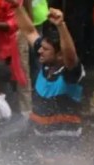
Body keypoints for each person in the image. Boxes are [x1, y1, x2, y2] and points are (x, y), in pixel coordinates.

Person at [15, 6, 84, 141]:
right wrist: (15, 6)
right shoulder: (46, 64)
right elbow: (29, 31)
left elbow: (70, 56)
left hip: (63, 144)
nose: (40, 51)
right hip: (38, 137)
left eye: (45, 49)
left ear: (60, 55)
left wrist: (61, 25)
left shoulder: (70, 74)